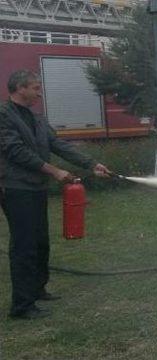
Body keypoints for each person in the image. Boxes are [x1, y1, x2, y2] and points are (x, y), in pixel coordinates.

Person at [0, 70, 111, 320]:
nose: (40, 92)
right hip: (16, 188)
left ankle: (37, 289)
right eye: (35, 87)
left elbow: (58, 145)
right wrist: (54, 171)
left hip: (36, 188)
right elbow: (15, 150)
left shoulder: (37, 118)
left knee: (40, 242)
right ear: (19, 88)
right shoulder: (4, 115)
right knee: (24, 245)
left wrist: (91, 163)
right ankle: (22, 306)